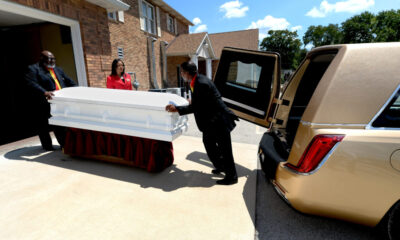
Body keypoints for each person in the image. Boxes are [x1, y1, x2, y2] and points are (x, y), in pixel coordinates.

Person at [165, 61, 239, 185]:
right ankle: (220, 166)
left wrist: (177, 109)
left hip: (219, 120)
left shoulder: (201, 83)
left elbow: (197, 107)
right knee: (209, 144)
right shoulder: (197, 80)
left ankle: (232, 177)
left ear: (187, 72)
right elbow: (201, 101)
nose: (181, 74)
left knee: (225, 149)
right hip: (211, 121)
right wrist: (192, 100)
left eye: (182, 72)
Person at [25, 50, 77, 150]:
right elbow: (31, 83)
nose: (52, 61)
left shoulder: (58, 70)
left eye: (53, 59)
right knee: (43, 126)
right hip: (43, 103)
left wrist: (77, 89)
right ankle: (47, 146)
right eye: (49, 59)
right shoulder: (33, 69)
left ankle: (64, 145)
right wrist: (44, 92)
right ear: (42, 59)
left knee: (59, 124)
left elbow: (69, 81)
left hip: (58, 102)